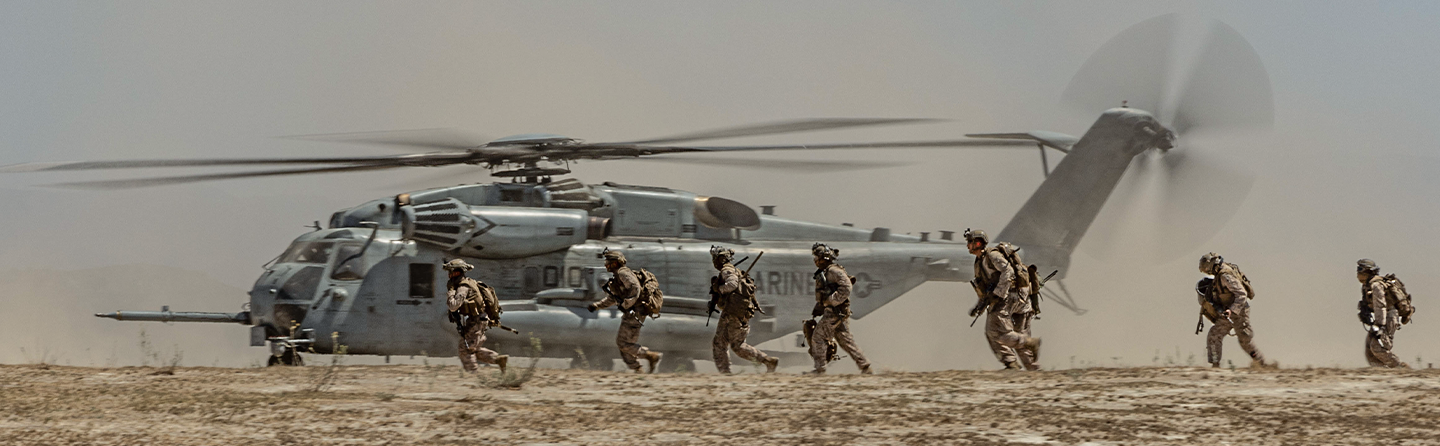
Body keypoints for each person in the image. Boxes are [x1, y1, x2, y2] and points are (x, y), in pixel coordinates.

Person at [965, 229, 1041, 370]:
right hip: (1020, 299)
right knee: (1018, 332)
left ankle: (1013, 360)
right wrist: (979, 307)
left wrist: (998, 294)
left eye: (970, 242)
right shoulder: (979, 262)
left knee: (994, 332)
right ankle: (1033, 369)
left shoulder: (992, 256)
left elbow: (1008, 272)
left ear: (978, 243)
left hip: (1010, 298)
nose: (967, 245)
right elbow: (984, 289)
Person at [587, 249, 663, 373]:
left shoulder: (623, 273)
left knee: (622, 343)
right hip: (633, 313)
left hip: (635, 313)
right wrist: (596, 306)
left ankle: (651, 356)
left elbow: (635, 288)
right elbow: (612, 298)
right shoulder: (618, 277)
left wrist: (626, 304)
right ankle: (638, 370)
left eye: (609, 262)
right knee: (624, 345)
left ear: (616, 263)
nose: (606, 265)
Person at [707, 246, 779, 374]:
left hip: (732, 313)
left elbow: (732, 284)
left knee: (719, 343)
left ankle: (725, 372)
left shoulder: (727, 270)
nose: (714, 262)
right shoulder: (735, 270)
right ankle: (768, 360)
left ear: (722, 259)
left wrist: (719, 289)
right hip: (741, 313)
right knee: (738, 346)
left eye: (716, 258)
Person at [1197, 252, 1272, 368]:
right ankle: (1215, 366)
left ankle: (1262, 364)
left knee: (1244, 340)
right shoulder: (1220, 273)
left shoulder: (1225, 276)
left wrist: (1232, 310)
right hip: (1229, 311)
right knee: (1214, 334)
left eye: (1207, 269)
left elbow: (1242, 294)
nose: (1207, 272)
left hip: (1239, 311)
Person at [807, 243, 872, 375]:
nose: (816, 261)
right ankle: (865, 366)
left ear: (825, 258)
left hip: (835, 312)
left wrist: (831, 301)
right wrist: (819, 307)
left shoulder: (834, 271)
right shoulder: (826, 272)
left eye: (818, 257)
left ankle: (820, 370)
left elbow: (847, 287)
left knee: (818, 337)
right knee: (845, 341)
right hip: (836, 312)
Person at [444, 259, 508, 373]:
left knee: (465, 349)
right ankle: (498, 359)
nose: (450, 275)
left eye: (452, 272)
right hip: (479, 320)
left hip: (477, 321)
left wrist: (450, 293)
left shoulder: (463, 287)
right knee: (474, 349)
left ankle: (473, 375)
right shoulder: (470, 282)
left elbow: (453, 306)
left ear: (458, 272)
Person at [1357, 259, 1410, 368]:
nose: (1357, 273)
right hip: (1381, 318)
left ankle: (1399, 368)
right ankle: (1382, 372)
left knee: (1377, 346)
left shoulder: (1376, 285)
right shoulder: (1366, 285)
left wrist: (1380, 326)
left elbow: (1380, 305)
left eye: (1360, 269)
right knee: (1369, 349)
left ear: (1368, 271)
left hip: (1388, 317)